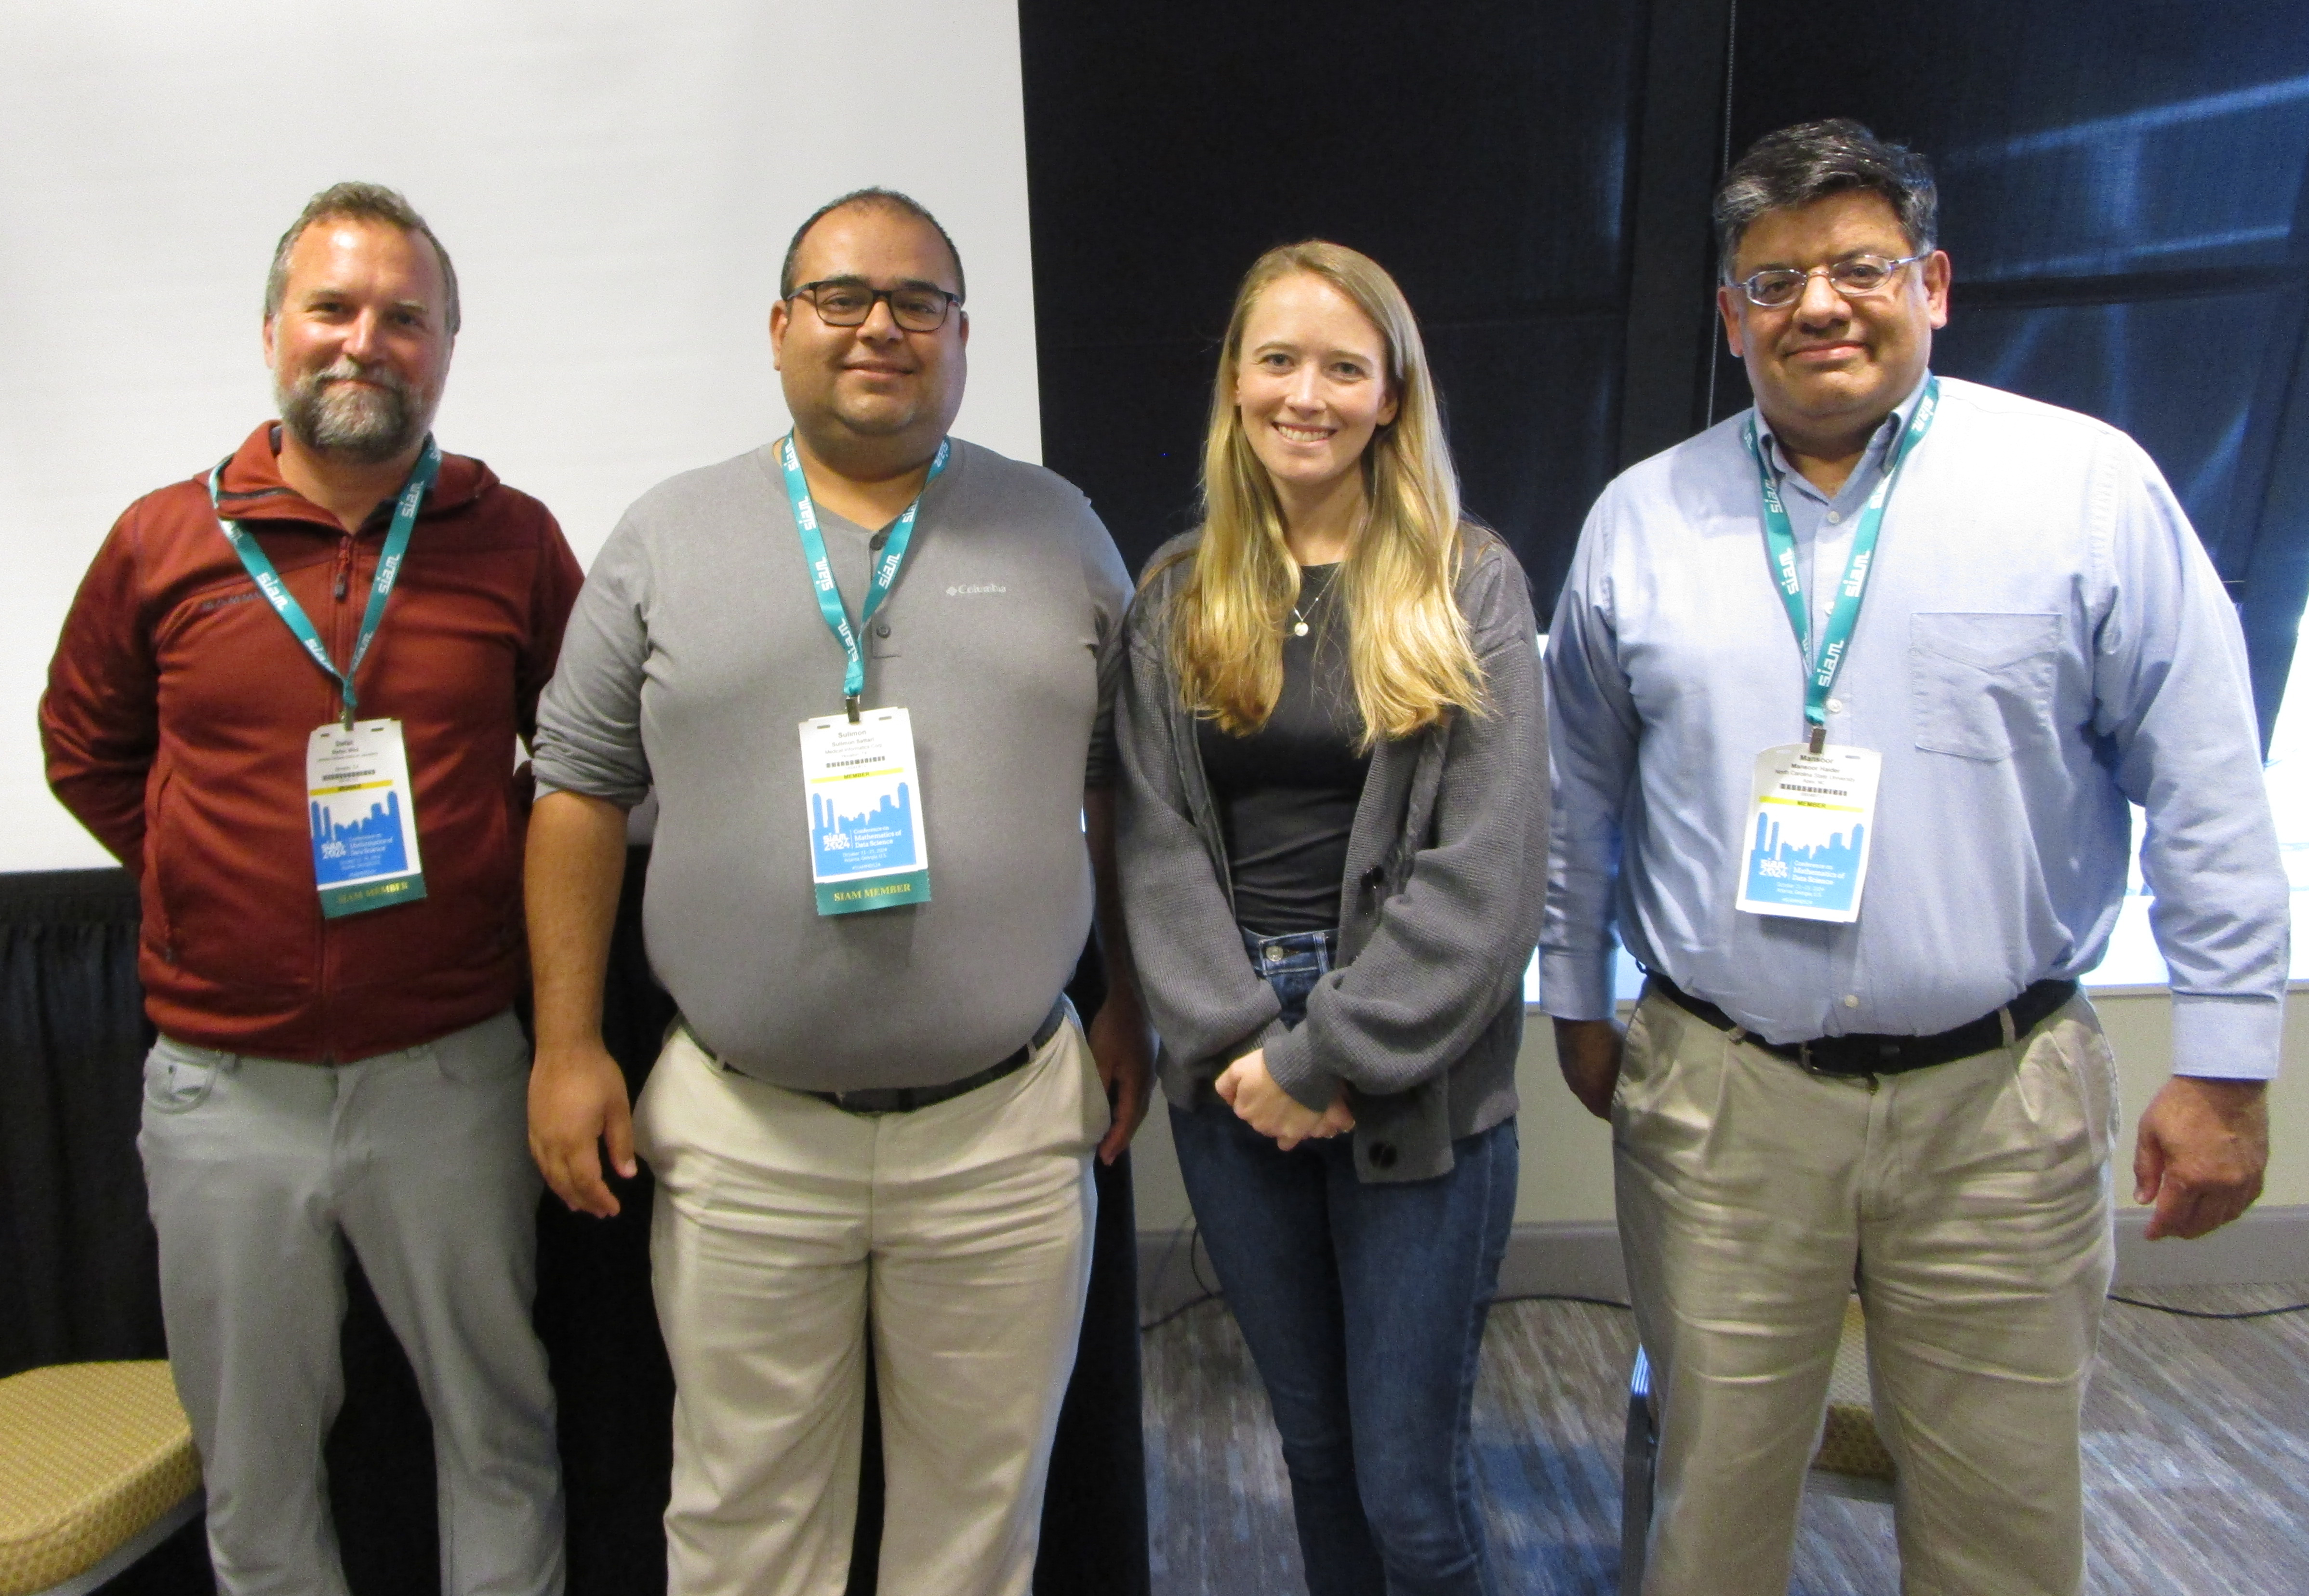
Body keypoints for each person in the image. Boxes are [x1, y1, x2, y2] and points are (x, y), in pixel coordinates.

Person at [1543, 118, 2287, 1596]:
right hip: (1725, 1105)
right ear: (1731, 315)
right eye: (1775, 280)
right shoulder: (1644, 518)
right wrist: (1575, 992)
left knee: (2002, 1520)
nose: (1819, 304)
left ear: (1935, 284)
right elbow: (1578, 794)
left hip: (1998, 1107)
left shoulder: (2084, 488)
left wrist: (2230, 1059)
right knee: (1716, 1505)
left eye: (1861, 267)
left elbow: (2206, 778)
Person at [522, 186, 1152, 1596]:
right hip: (747, 1137)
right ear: (779, 328)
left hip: (1003, 1131)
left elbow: (1126, 793)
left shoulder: (1061, 531)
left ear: (965, 337)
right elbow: (575, 790)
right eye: (843, 297)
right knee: (744, 1529)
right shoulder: (666, 537)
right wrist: (569, 1044)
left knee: (978, 1533)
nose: (881, 327)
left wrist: (1132, 1008)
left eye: (918, 302)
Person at [40, 182, 578, 1596]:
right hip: (225, 1090)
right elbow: (83, 750)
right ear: (275, 329)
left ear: (449, 343)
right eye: (333, 310)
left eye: (404, 318)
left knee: (499, 1438)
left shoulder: (510, 537)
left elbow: (585, 765)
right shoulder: (163, 540)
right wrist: (211, 881)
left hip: (455, 1073)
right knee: (258, 1475)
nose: (365, 343)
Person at [1115, 241, 1547, 1596]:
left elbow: (1490, 874)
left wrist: (1324, 1057)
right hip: (1231, 1068)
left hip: (1408, 1071)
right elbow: (1151, 837)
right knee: (1310, 1453)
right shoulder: (1177, 591)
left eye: (1344, 367)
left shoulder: (1467, 582)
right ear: (1236, 385)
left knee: (1410, 1492)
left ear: (1391, 396)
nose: (1308, 394)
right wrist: (1246, 1044)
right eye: (1279, 360)